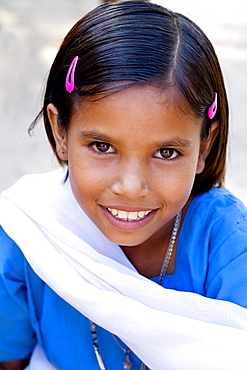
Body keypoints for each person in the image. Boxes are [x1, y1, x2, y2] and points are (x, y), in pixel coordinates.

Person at [0, 1, 247, 369]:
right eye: (103, 147)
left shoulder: (226, 243)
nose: (131, 187)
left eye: (166, 152)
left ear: (203, 147)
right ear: (60, 131)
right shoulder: (29, 234)